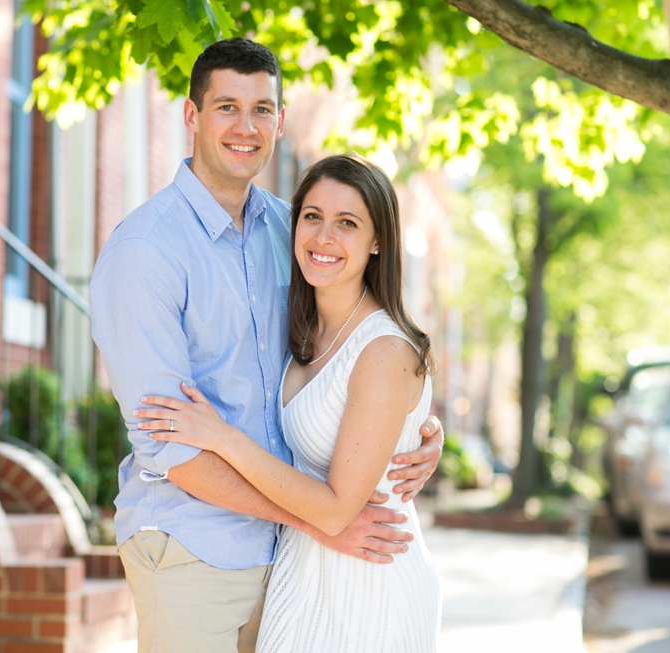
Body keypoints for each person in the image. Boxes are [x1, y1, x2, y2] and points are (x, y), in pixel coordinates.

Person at [90, 38, 442, 653]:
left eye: (262, 109)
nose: (245, 127)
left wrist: (410, 428)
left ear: (280, 122)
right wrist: (320, 523)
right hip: (194, 548)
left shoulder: (294, 229)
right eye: (226, 106)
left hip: (290, 561)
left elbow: (354, 358)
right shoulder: (144, 252)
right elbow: (168, 445)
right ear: (191, 117)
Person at [141, 154, 441, 651]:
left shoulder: (384, 350)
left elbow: (337, 510)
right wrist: (427, 432)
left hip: (369, 579)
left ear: (378, 241)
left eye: (348, 223)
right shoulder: (302, 327)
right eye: (312, 216)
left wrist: (221, 437)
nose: (324, 238)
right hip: (302, 570)